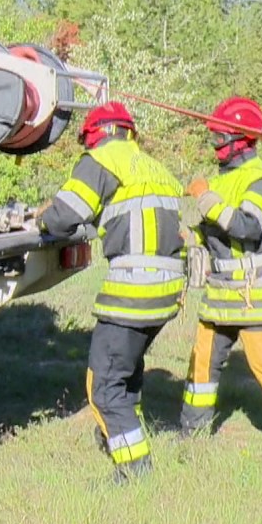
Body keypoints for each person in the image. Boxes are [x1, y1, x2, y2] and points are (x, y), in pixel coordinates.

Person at [37, 100, 186, 483]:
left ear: (96, 135)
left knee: (103, 385)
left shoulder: (104, 159)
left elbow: (65, 214)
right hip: (166, 290)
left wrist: (43, 218)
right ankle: (125, 440)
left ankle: (134, 469)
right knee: (126, 372)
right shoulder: (155, 167)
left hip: (132, 289)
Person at [179, 97, 262, 451]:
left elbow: (246, 228)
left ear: (241, 140)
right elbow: (215, 232)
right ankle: (192, 435)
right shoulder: (225, 180)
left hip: (255, 295)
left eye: (219, 138)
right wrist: (188, 236)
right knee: (202, 364)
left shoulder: (261, 181)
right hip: (220, 291)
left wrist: (205, 198)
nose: (215, 146)